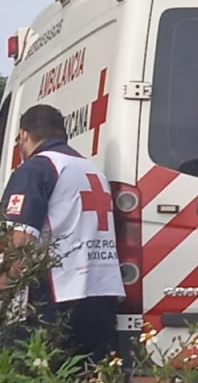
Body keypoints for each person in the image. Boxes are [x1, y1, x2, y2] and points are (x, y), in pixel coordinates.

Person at [0, 104, 124, 366]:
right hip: (101, 294)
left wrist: (5, 285)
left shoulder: (36, 169)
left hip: (56, 298)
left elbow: (20, 242)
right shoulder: (91, 170)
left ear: (23, 134)